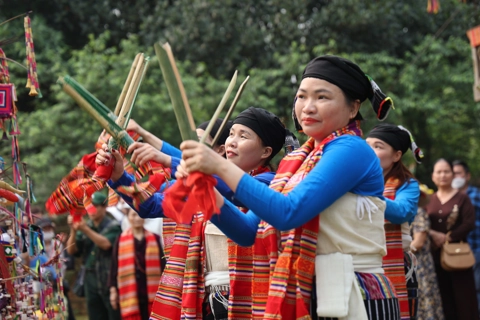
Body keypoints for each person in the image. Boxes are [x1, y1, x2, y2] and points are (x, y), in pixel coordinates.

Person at [178, 55, 400, 319]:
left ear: (353, 109)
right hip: (307, 290)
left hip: (356, 294)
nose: (307, 107)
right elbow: (248, 232)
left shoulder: (352, 149)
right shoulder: (294, 163)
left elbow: (288, 213)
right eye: (302, 96)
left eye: (322, 97)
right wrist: (205, 190)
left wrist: (218, 165)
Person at [99, 111, 288, 319]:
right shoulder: (206, 184)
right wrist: (119, 177)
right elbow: (150, 206)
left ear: (265, 152)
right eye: (231, 134)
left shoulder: (271, 183)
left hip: (249, 299)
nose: (233, 142)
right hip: (207, 300)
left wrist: (168, 159)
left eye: (243, 137)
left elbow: (234, 190)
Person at [366, 124, 421, 320]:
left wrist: (368, 194)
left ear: (396, 155)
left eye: (378, 146)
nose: (370, 152)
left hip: (397, 266)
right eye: (367, 145)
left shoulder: (408, 185)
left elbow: (401, 212)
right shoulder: (355, 181)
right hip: (361, 265)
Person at [426, 159, 478, 320]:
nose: (443, 175)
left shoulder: (462, 198)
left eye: (447, 171)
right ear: (433, 176)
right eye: (439, 172)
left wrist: (448, 237)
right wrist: (434, 235)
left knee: (463, 300)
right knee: (442, 298)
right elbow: (420, 223)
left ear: (452, 175)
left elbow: (469, 222)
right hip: (434, 257)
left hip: (458, 256)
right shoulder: (428, 200)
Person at [66, 191, 122, 320]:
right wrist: (73, 230)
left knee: (114, 313)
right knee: (95, 314)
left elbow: (106, 244)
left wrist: (85, 229)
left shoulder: (114, 226)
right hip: (90, 277)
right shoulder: (86, 226)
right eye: (89, 207)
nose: (91, 210)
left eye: (95, 206)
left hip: (109, 277)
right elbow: (71, 251)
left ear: (104, 207)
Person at [108, 206, 165, 320]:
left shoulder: (154, 238)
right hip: (130, 291)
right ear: (128, 218)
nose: (137, 218)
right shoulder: (120, 239)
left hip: (152, 290)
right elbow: (114, 266)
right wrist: (113, 290)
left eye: (139, 215)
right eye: (133, 215)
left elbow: (163, 265)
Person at [411, 184, 444, 320]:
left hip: (420, 264)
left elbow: (418, 243)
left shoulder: (419, 213)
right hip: (412, 262)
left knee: (424, 297)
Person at [452, 159, 480, 314]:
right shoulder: (449, 197)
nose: (456, 177)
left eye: (459, 173)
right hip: (453, 251)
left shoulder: (475, 195)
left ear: (467, 176)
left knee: (476, 288)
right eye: (453, 173)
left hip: (475, 248)